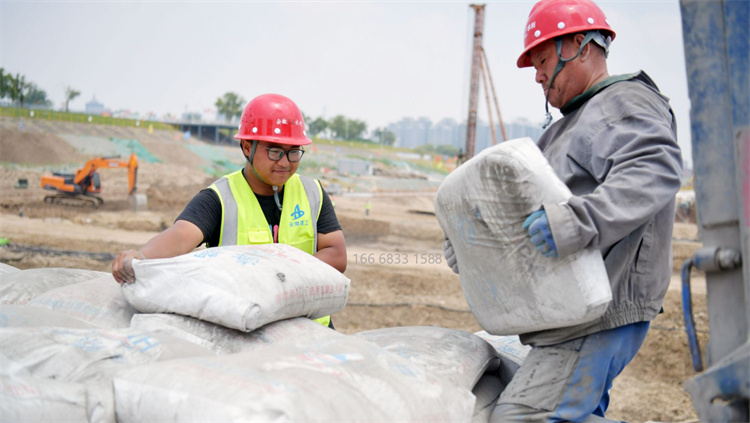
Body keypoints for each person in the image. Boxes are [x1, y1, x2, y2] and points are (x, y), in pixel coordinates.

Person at [444, 0, 682, 420]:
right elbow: (526, 214)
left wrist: (576, 221)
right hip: (569, 308)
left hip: (600, 306)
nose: (537, 75)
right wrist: (471, 243)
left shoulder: (620, 102)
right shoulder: (565, 127)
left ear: (580, 44)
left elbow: (653, 171)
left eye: (541, 60)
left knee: (524, 416)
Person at [112, 93, 347, 329]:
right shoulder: (219, 198)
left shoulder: (312, 192)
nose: (285, 162)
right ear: (247, 146)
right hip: (245, 330)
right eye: (275, 151)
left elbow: (336, 254)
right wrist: (142, 258)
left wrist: (282, 281)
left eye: (293, 151)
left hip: (311, 329)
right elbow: (181, 235)